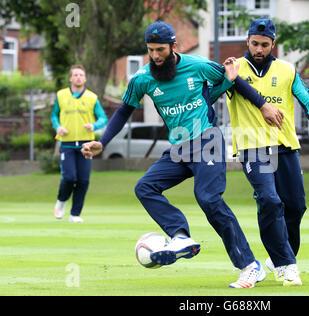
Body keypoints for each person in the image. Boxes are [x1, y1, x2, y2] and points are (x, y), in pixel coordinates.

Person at [81, 21, 282, 289]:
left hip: (208, 139)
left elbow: (233, 80)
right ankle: (179, 235)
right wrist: (102, 142)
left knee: (208, 198)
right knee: (145, 187)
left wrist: (264, 105)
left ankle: (250, 266)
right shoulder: (142, 79)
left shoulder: (197, 65)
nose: (155, 56)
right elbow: (123, 112)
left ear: (173, 47)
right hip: (179, 149)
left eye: (160, 49)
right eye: (150, 50)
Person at [211, 18, 309, 286]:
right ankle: (285, 265)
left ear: (273, 44)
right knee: (270, 200)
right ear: (247, 41)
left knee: (296, 206)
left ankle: (279, 255)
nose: (259, 49)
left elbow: (308, 101)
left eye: (265, 45)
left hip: (285, 146)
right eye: (255, 43)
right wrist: (227, 81)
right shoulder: (234, 69)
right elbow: (211, 95)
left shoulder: (287, 70)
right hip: (251, 146)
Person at [51, 65, 108, 223]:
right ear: (70, 78)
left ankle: (75, 214)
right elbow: (54, 115)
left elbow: (103, 118)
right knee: (69, 178)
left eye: (81, 75)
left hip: (86, 145)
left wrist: (94, 126)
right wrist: (58, 127)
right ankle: (61, 203)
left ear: (85, 78)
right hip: (67, 144)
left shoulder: (92, 97)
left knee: (83, 180)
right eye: (75, 75)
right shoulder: (61, 95)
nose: (78, 77)